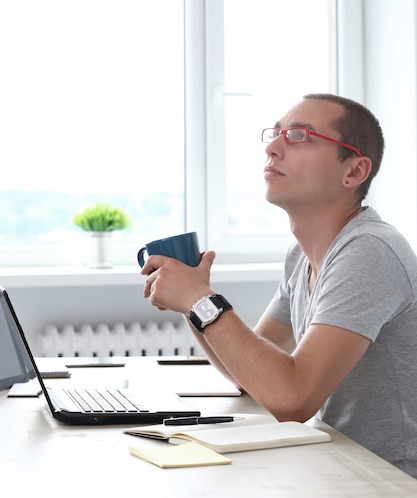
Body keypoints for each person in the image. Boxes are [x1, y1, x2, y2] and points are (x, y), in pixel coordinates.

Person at [142, 93, 417, 477]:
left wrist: (202, 299)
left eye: (300, 136)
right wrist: (193, 302)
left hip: (388, 481)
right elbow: (250, 378)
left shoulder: (370, 251)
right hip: (338, 467)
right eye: (277, 134)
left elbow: (292, 399)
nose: (272, 147)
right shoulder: (301, 257)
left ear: (353, 172)